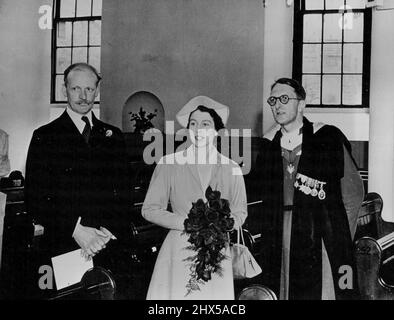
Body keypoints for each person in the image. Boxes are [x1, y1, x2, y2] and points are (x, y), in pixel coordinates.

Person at [25, 63, 129, 294]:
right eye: (76, 89)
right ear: (65, 90)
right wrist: (77, 230)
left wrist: (105, 233)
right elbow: (35, 199)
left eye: (89, 90)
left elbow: (124, 192)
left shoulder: (113, 136)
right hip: (64, 245)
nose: (83, 97)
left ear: (97, 91)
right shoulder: (45, 136)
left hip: (106, 245)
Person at [257, 78, 364, 300]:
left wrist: (339, 232)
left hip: (320, 231)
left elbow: (353, 192)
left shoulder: (327, 137)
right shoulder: (268, 145)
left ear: (302, 103)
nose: (278, 105)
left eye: (285, 98)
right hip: (280, 231)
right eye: (273, 100)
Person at [142, 95, 247, 299]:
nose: (198, 130)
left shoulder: (232, 168)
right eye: (193, 124)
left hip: (217, 253)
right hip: (178, 249)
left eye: (206, 124)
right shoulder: (168, 163)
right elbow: (150, 209)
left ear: (217, 131)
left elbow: (240, 210)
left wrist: (224, 225)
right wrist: (186, 222)